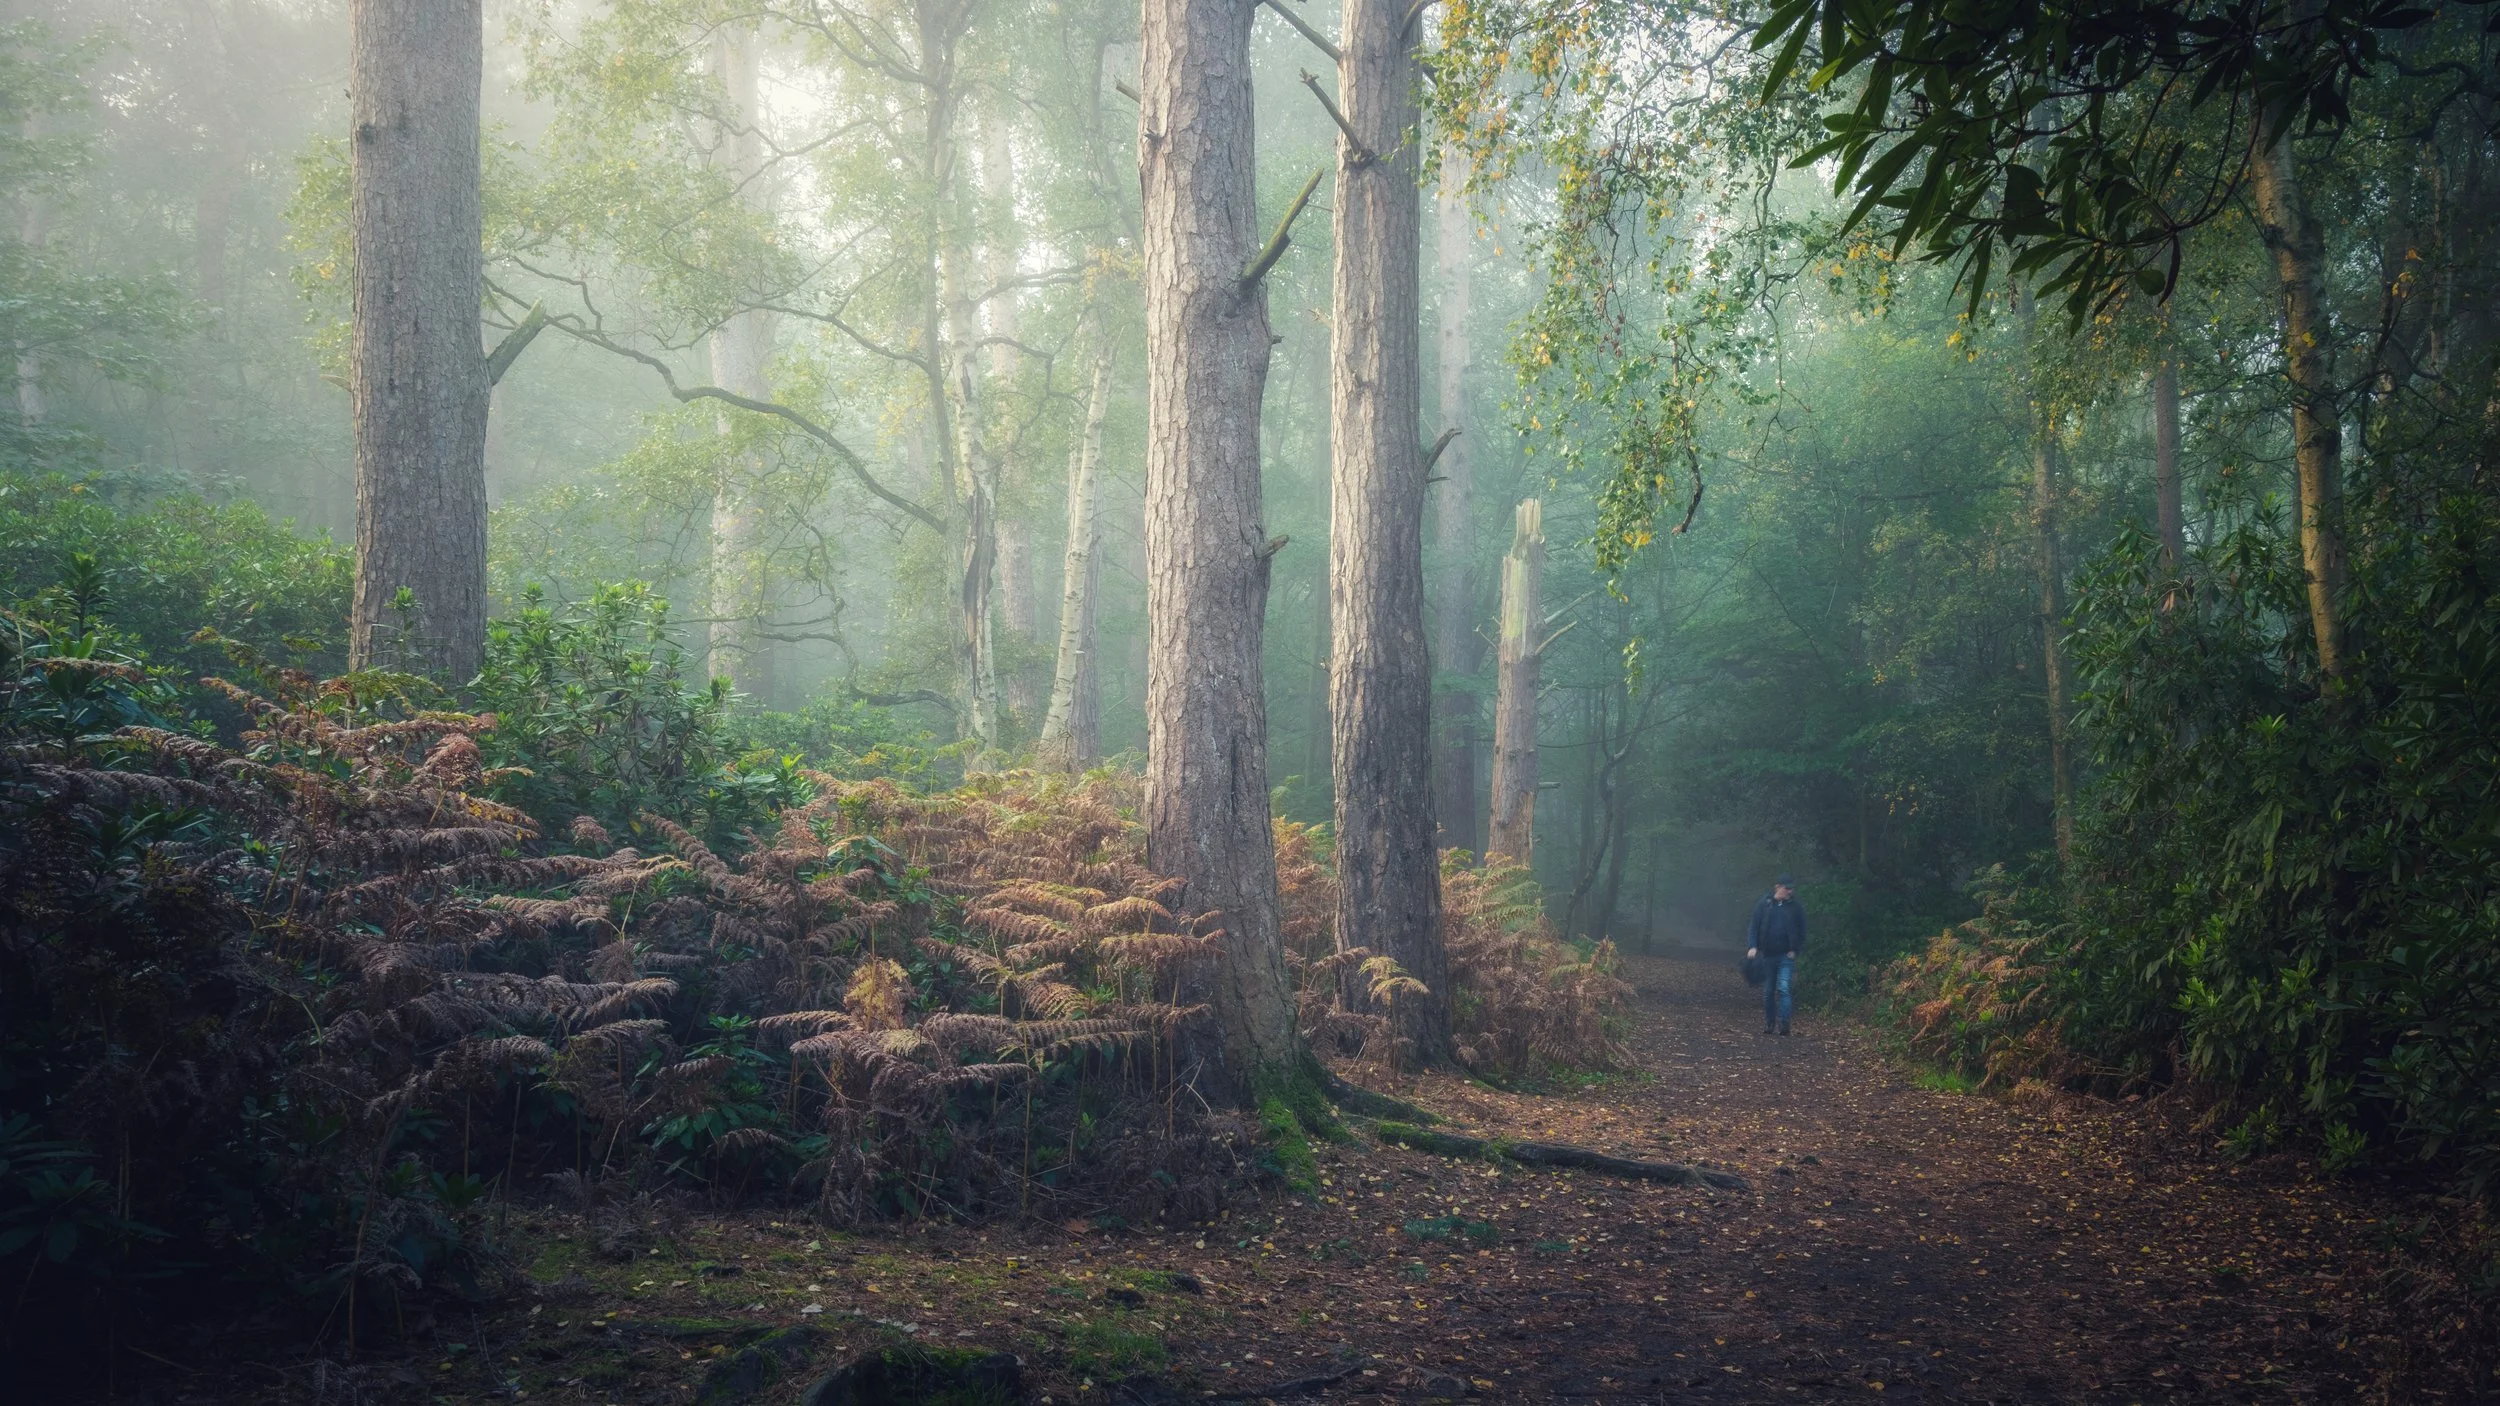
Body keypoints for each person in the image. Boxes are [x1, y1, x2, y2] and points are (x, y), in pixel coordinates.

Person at [1746, 874, 1806, 1036]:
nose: (1790, 891)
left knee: (1784, 988)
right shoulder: (1764, 904)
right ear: (1777, 887)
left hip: (1786, 956)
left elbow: (1802, 931)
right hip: (1767, 955)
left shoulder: (1795, 907)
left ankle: (1784, 1023)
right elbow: (1754, 926)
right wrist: (1752, 946)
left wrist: (1796, 950)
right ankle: (1770, 1022)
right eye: (1787, 888)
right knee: (1768, 991)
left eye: (1791, 888)